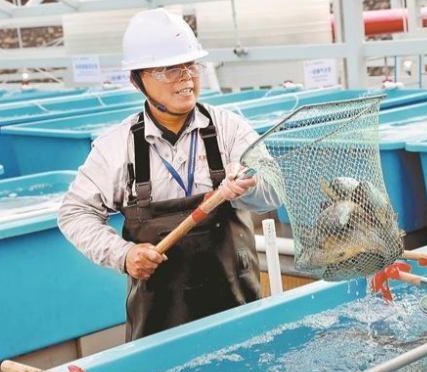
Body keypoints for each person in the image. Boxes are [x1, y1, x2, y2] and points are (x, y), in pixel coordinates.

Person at [58, 8, 281, 341]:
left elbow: (275, 190)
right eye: (169, 70)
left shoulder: (229, 130)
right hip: (159, 326)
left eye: (191, 65)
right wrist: (124, 255)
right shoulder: (116, 147)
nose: (187, 78)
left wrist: (249, 186)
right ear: (138, 80)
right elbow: (74, 213)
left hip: (238, 314)